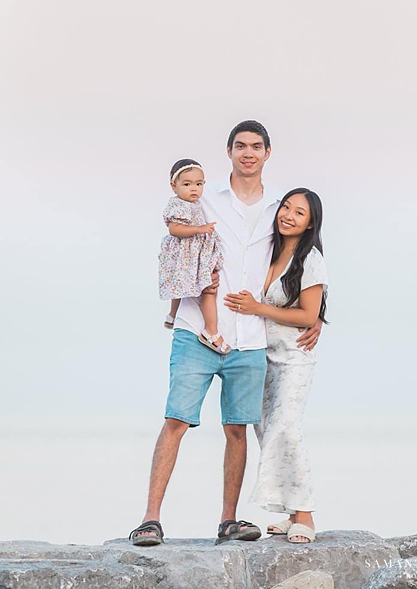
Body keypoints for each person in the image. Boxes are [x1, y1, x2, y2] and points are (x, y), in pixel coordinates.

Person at [129, 120, 323, 546]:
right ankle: (150, 519)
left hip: (251, 339)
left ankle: (229, 520)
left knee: (237, 429)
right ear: (229, 151)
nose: (248, 153)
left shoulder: (279, 208)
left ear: (268, 153)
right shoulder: (203, 196)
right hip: (196, 328)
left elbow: (303, 258)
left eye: (256, 146)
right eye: (240, 146)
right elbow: (173, 231)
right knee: (176, 421)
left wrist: (317, 317)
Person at [225, 188, 329, 544]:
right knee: (267, 431)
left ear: (310, 222)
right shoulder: (266, 249)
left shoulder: (310, 258)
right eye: (286, 207)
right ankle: (288, 511)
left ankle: (306, 514)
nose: (288, 215)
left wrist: (259, 308)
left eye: (299, 212)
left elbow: (307, 315)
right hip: (256, 355)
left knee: (287, 428)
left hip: (293, 358)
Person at [159, 158, 230, 354]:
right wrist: (199, 229)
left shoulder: (196, 203)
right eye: (187, 184)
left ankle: (172, 316)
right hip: (185, 254)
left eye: (199, 184)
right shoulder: (178, 205)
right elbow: (174, 229)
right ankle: (211, 331)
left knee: (181, 287)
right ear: (174, 186)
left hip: (193, 254)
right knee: (207, 289)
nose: (194, 189)